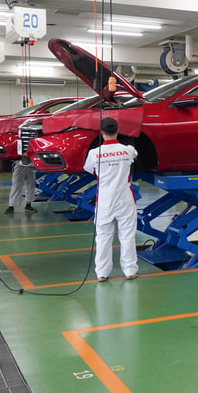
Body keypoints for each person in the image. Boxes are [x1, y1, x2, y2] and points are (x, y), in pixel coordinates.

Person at [83, 118, 139, 282]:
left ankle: (102, 273)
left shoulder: (94, 153)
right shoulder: (128, 150)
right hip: (125, 199)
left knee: (103, 237)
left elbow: (89, 169)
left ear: (101, 132)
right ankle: (130, 270)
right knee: (127, 236)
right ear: (117, 131)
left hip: (105, 201)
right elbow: (135, 156)